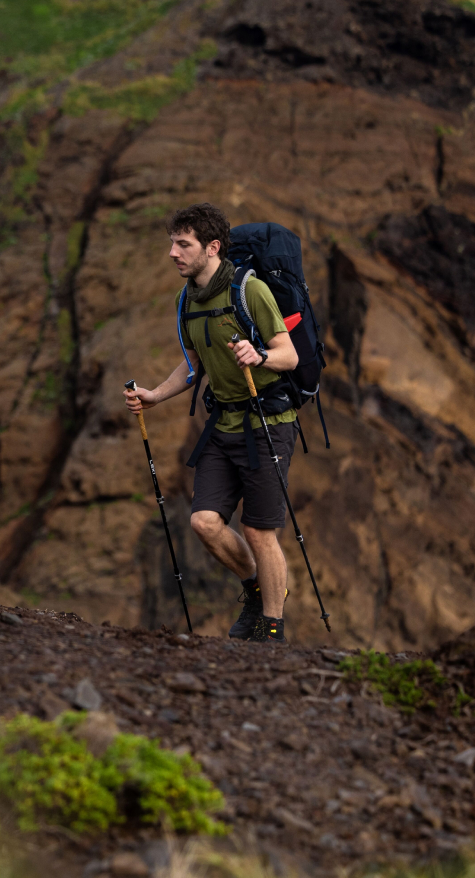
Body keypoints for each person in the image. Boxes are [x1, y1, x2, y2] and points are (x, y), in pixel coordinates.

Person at [122, 203, 298, 642]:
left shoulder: (249, 291)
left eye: (183, 244)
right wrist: (155, 395)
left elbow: (288, 355)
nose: (173, 253)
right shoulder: (187, 301)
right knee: (203, 522)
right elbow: (194, 365)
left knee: (259, 530)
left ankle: (271, 628)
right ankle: (258, 589)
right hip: (223, 425)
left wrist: (259, 356)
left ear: (212, 248)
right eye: (172, 243)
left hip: (267, 421)